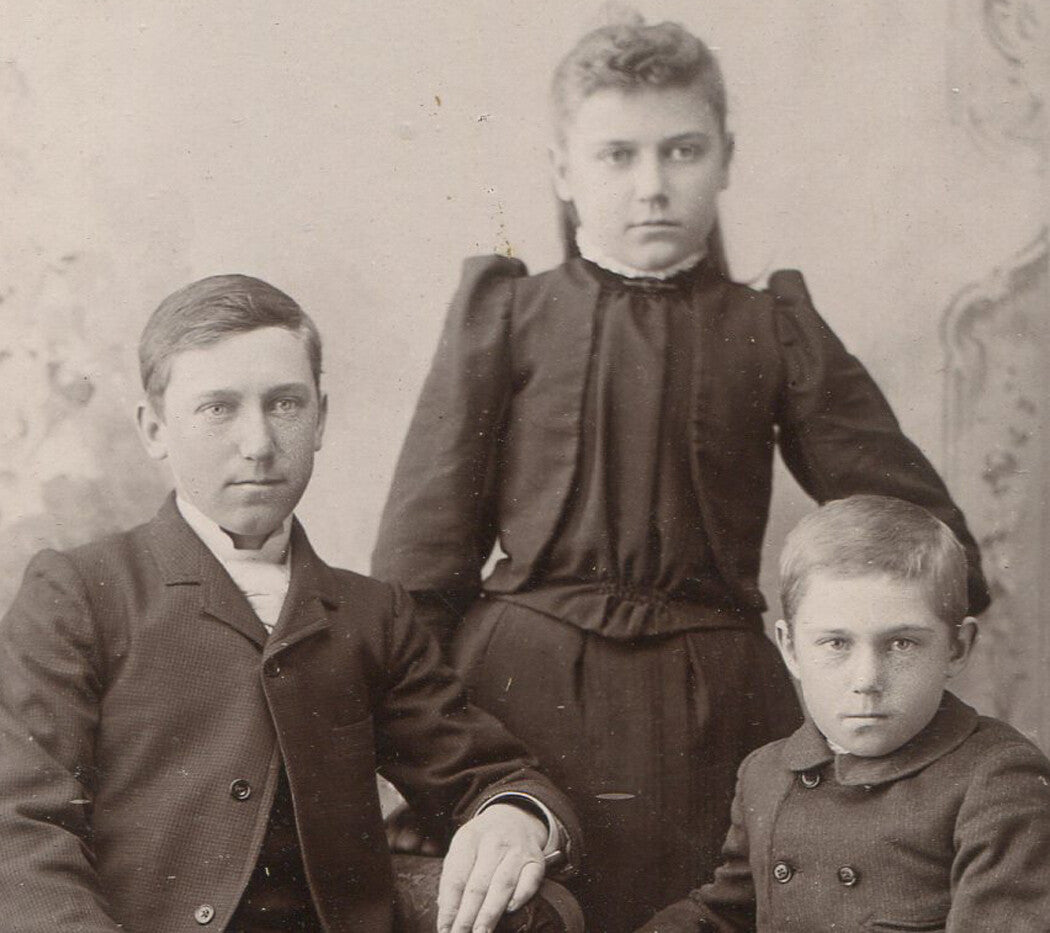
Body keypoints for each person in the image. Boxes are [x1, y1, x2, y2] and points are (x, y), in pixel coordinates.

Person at [371, 16, 990, 932]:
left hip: (719, 725)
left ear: (726, 157)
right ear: (563, 171)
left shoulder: (771, 325)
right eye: (617, 155)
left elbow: (936, 549)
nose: (652, 185)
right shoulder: (508, 316)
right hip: (514, 715)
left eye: (682, 150)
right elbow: (410, 595)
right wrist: (461, 773)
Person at [0, 274, 583, 933]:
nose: (257, 443)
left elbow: (482, 769)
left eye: (284, 404)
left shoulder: (369, 613)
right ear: (154, 428)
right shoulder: (79, 592)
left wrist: (513, 813)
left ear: (321, 417)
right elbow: (20, 823)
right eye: (218, 408)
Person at [637, 495, 1050, 932]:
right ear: (791, 649)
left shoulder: (998, 780)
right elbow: (724, 915)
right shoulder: (765, 773)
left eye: (902, 644)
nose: (867, 679)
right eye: (836, 643)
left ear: (957, 648)